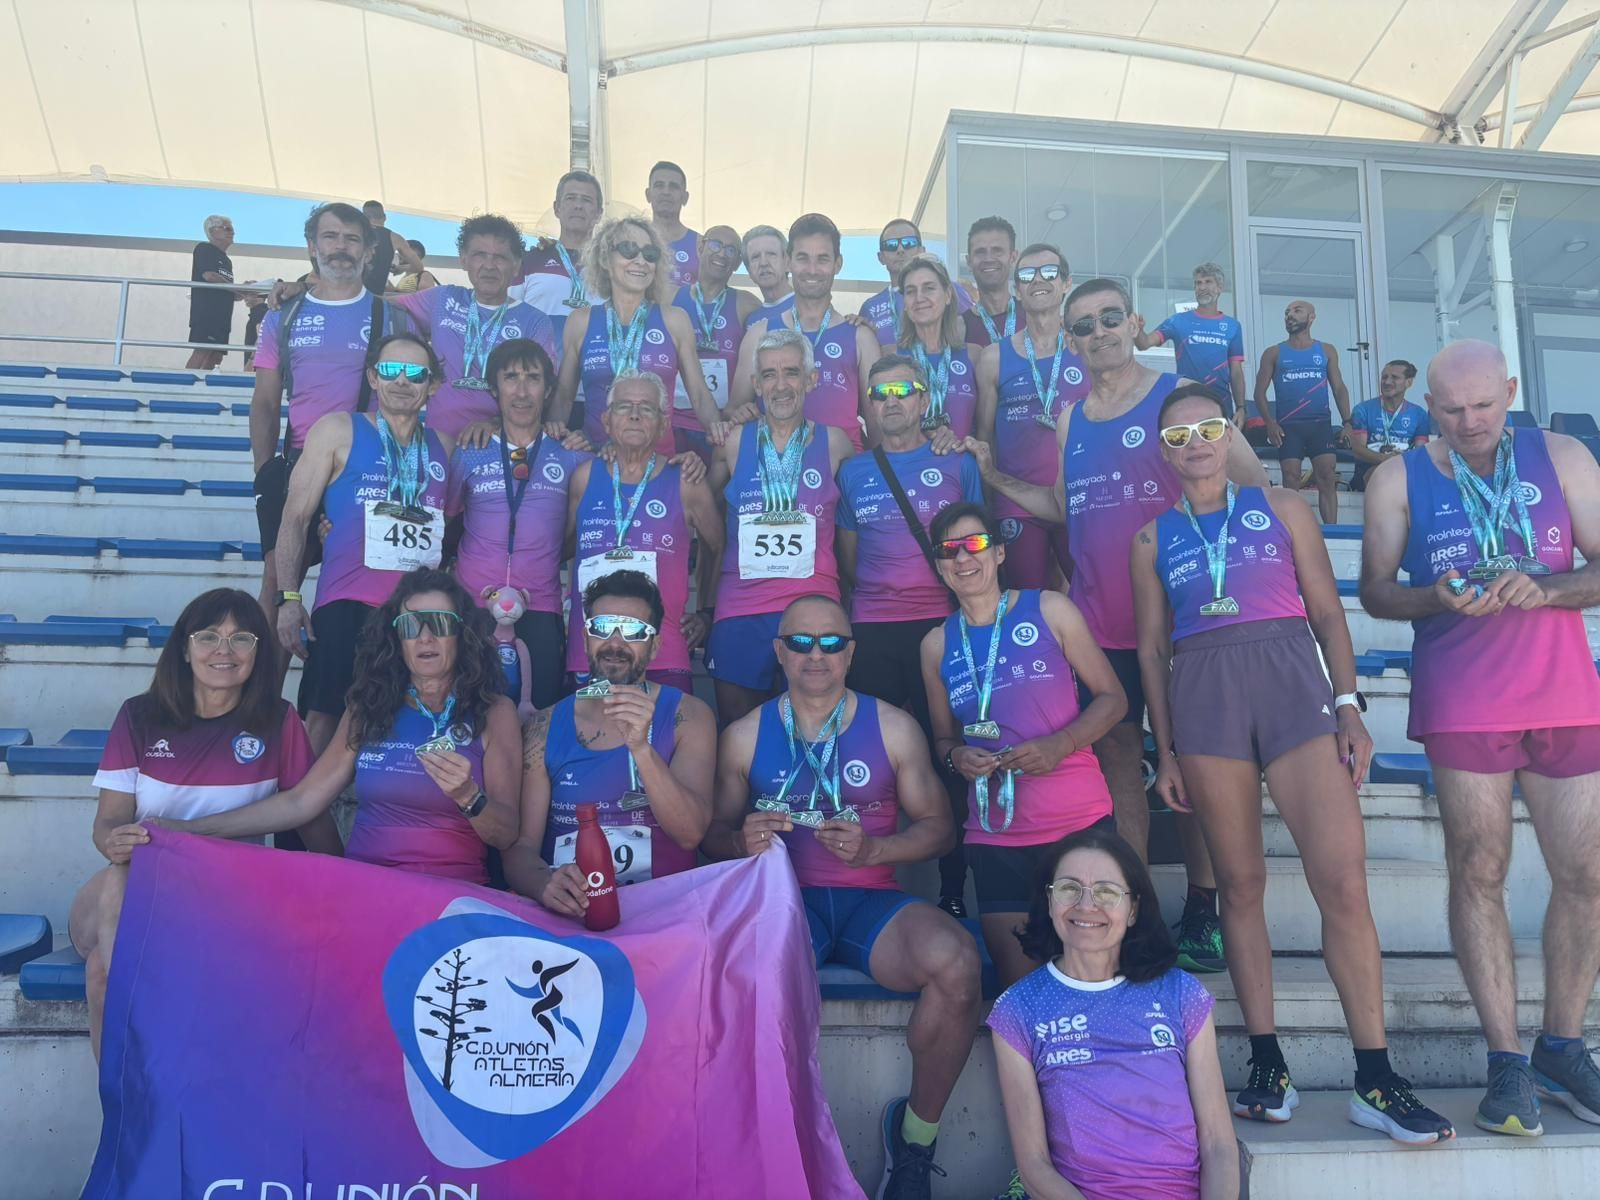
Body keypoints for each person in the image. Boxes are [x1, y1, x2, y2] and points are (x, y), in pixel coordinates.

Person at [1134, 383, 1453, 1144]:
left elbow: (1326, 612)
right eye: (1179, 437)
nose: (1196, 444)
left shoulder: (1283, 507)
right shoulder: (1150, 538)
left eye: (1208, 429)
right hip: (1204, 696)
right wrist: (1167, 746)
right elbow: (1151, 647)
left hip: (1291, 687)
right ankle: (1268, 1062)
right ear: (1164, 450)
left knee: (1342, 881)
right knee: (1240, 885)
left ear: (1230, 431)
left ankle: (1375, 1075)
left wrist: (1348, 704)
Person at [968, 278, 1270, 975]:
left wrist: (1231, 568)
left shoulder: (1175, 397)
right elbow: (1064, 506)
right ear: (1070, 341)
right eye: (1084, 326)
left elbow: (1254, 482)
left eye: (1110, 318)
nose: (1099, 332)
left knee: (1192, 768)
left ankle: (1204, 903)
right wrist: (996, 477)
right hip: (1103, 626)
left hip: (1185, 622)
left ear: (1134, 322)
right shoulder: (1072, 417)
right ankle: (1142, 910)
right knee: (1121, 776)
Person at [1360, 339, 1600, 1139]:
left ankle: (1562, 1043)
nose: (1470, 423)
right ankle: (1507, 1062)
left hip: (1564, 691)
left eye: (1484, 406)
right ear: (1430, 404)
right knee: (1480, 867)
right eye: (1452, 409)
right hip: (1463, 697)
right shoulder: (1398, 475)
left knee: (1586, 871)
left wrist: (1552, 586)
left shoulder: (1561, 455)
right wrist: (1431, 595)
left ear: (1511, 389)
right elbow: (1377, 591)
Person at [708, 593, 982, 1200]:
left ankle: (913, 1142)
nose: (816, 654)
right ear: (779, 651)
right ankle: (764, 1144)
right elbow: (710, 838)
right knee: (743, 976)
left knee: (960, 966)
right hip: (783, 904)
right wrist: (738, 839)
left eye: (831, 642)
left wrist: (876, 853)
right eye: (801, 642)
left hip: (870, 903)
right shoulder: (745, 735)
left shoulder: (892, 725)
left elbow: (940, 827)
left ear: (850, 652)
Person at [70, 589, 317, 1059]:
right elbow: (108, 825)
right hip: (149, 878)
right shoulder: (139, 715)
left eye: (240, 638)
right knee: (96, 953)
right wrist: (113, 840)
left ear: (258, 653)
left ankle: (156, 1088)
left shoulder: (279, 721)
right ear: (184, 649)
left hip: (232, 890)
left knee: (111, 963)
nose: (223, 651)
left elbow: (309, 815)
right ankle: (121, 1104)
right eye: (208, 636)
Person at [167, 569, 521, 883]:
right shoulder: (369, 706)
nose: (425, 638)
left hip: (449, 898)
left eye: (439, 624)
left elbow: (505, 834)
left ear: (461, 635)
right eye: (411, 626)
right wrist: (190, 830)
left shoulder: (493, 711)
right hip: (367, 891)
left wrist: (468, 797)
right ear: (396, 641)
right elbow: (302, 802)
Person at [920, 502, 1125, 985]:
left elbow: (1113, 699)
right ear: (938, 564)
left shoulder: (1049, 608)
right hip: (995, 836)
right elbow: (942, 738)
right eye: (949, 550)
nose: (962, 559)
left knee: (1094, 981)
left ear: (999, 553)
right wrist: (955, 756)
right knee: (1023, 991)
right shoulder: (935, 644)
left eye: (974, 544)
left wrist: (1061, 744)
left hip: (1077, 824)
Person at [987, 827, 1238, 1200]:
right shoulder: (1018, 1008)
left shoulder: (1181, 993)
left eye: (1106, 891)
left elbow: (1218, 1142)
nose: (1087, 905)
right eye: (1070, 888)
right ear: (1050, 900)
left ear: (1133, 909)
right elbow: (1034, 1164)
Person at [837, 355, 983, 915]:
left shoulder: (955, 460)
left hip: (942, 627)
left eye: (903, 389)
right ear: (868, 407)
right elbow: (850, 558)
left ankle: (951, 890)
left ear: (924, 399)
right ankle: (864, 878)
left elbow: (977, 545)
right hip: (873, 628)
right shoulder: (852, 470)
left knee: (947, 754)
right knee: (863, 756)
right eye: (879, 393)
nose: (891, 400)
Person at [273, 332, 453, 754]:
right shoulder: (338, 429)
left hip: (416, 614)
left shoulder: (444, 446)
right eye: (391, 370)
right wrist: (289, 597)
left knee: (411, 723)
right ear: (373, 377)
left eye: (415, 373)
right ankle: (295, 821)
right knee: (322, 721)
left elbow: (454, 528)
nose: (402, 381)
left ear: (433, 385)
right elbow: (295, 517)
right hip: (346, 603)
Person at [510, 571, 717, 911]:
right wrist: (542, 883)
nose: (616, 643)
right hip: (574, 911)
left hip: (664, 912)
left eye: (634, 631)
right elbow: (521, 848)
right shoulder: (544, 725)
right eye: (602, 628)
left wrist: (641, 749)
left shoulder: (689, 716)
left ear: (655, 647)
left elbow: (690, 834)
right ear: (585, 638)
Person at [251, 202, 412, 628]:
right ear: (311, 246)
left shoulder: (394, 316)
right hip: (301, 460)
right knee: (277, 582)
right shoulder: (282, 316)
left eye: (352, 238)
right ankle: (264, 694)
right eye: (330, 236)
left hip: (369, 465)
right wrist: (266, 471)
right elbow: (265, 402)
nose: (341, 247)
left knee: (367, 586)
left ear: (370, 252)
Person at [706, 329, 855, 726]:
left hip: (814, 606)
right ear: (756, 385)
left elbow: (853, 528)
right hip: (741, 609)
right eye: (769, 375)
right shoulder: (734, 442)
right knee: (738, 727)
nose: (781, 385)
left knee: (817, 724)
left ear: (811, 379)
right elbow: (699, 513)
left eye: (791, 372)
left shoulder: (837, 443)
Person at [446, 338, 591, 710]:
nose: (522, 390)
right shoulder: (470, 449)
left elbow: (579, 535)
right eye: (511, 378)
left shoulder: (573, 455)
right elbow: (443, 520)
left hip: (540, 605)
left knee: (538, 715)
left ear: (548, 388)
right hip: (473, 602)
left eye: (533, 378)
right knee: (468, 712)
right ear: (494, 388)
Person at [564, 371, 724, 695]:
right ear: (606, 421)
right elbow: (564, 548)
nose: (635, 415)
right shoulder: (583, 477)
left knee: (664, 742)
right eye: (624, 407)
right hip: (590, 653)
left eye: (647, 408)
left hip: (663, 654)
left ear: (664, 424)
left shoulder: (685, 480)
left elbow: (719, 547)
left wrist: (706, 614)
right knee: (590, 741)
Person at [552, 214, 736, 454]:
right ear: (606, 259)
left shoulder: (675, 320)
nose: (640, 260)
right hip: (596, 458)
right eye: (629, 250)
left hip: (658, 464)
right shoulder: (581, 321)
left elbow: (700, 396)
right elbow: (564, 398)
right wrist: (553, 437)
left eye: (650, 254)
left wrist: (720, 436)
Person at [972, 242, 1087, 590]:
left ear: (1066, 283)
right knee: (1027, 607)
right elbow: (984, 436)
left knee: (1091, 598)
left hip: (1079, 498)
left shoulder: (1086, 349)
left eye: (1050, 272)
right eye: (1027, 274)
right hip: (1017, 504)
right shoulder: (994, 357)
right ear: (1017, 290)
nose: (1039, 280)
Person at [734, 213, 880, 452]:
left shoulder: (860, 336)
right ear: (789, 261)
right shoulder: (759, 334)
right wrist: (743, 412)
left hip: (842, 474)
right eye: (803, 258)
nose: (812, 270)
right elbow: (734, 409)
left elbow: (876, 423)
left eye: (822, 259)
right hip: (778, 474)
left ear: (838, 264)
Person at [1253, 300, 1352, 524]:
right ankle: (1294, 529)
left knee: (1327, 477)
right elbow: (1259, 393)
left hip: (1320, 425)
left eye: (1297, 311)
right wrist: (1270, 422)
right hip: (1289, 427)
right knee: (1291, 479)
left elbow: (1338, 387)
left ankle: (1332, 531)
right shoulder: (1274, 353)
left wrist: (1347, 422)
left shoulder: (1326, 350)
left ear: (1312, 317)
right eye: (1287, 312)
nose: (1290, 315)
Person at [670, 224, 761, 454]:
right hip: (672, 423)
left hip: (723, 428)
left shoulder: (746, 303)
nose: (722, 253)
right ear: (700, 246)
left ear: (737, 263)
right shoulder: (669, 296)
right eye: (716, 244)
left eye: (731, 250)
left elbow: (784, 313)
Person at [1133, 262, 1248, 424]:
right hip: (1186, 399)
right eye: (1198, 283)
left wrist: (1241, 407)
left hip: (1220, 402)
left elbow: (1236, 371)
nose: (1202, 287)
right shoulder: (1177, 321)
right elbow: (1144, 344)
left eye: (1208, 282)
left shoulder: (1233, 326)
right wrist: (1137, 331)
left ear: (1219, 287)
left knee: (1221, 449)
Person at [896, 255, 983, 440]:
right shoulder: (890, 356)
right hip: (909, 466)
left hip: (961, 465)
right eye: (910, 291)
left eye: (929, 288)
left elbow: (986, 431)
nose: (919, 298)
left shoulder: (975, 356)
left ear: (948, 295)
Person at [512, 169, 604, 333]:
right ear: (557, 208)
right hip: (540, 357)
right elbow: (509, 316)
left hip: (595, 357)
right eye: (570, 198)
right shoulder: (529, 261)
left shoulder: (611, 265)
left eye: (587, 200)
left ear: (599, 214)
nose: (578, 205)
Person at [1348, 359, 1428, 491]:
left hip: (1405, 467)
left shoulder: (1419, 414)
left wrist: (1401, 461)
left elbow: (1420, 451)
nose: (1387, 382)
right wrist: (1385, 459)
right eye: (1384, 377)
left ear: (1409, 382)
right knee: (1383, 475)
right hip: (1370, 468)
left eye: (1394, 377)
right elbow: (1358, 451)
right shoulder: (1362, 409)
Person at [858, 220, 928, 348]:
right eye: (891, 245)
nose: (900, 249)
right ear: (881, 257)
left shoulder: (945, 290)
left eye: (909, 243)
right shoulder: (869, 307)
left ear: (922, 251)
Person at [187, 214, 238, 370]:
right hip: (207, 313)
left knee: (216, 356)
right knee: (202, 351)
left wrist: (244, 291)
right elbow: (209, 275)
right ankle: (186, 387)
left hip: (223, 316)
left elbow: (228, 289)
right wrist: (236, 288)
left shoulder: (227, 260)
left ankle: (203, 389)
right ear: (213, 231)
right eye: (227, 228)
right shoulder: (204, 249)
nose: (232, 233)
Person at [961, 217, 1018, 349]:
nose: (988, 258)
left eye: (997, 251)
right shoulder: (959, 329)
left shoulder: (1032, 316)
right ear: (969, 262)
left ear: (1013, 257)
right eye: (980, 252)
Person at [646, 160, 700, 288]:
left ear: (685, 197)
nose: (666, 192)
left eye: (673, 186)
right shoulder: (633, 241)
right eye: (659, 185)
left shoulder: (700, 245)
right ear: (648, 195)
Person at [360, 200, 427, 297]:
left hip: (348, 293)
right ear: (385, 217)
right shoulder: (395, 238)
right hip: (375, 296)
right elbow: (418, 267)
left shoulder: (355, 234)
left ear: (364, 217)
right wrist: (401, 268)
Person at [742, 223, 793, 316]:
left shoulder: (810, 308)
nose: (763, 263)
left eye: (771, 254)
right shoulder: (751, 320)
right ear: (749, 270)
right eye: (755, 257)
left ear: (787, 262)